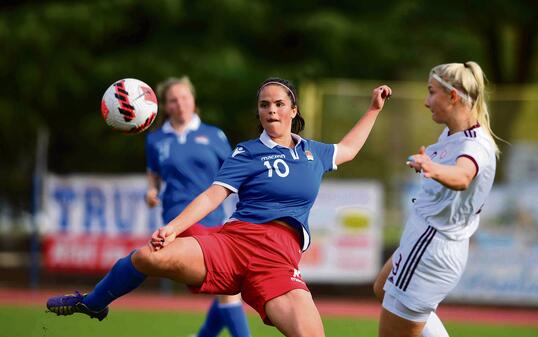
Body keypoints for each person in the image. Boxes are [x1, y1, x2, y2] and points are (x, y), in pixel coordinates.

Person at [47, 77, 392, 337]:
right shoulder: (247, 151)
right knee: (147, 256)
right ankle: (93, 303)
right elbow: (214, 195)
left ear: (293, 109)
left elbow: (348, 148)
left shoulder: (313, 152)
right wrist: (173, 228)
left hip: (277, 260)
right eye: (264, 104)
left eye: (279, 103)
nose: (271, 109)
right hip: (232, 243)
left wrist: (373, 109)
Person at [372, 61, 499, 337]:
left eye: (432, 92)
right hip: (425, 238)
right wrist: (432, 164)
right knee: (382, 287)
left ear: (453, 96)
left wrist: (431, 167)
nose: (426, 102)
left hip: (431, 247)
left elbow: (463, 175)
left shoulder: (474, 145)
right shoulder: (453, 134)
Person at [145, 76, 251, 337]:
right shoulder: (156, 139)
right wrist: (151, 191)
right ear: (166, 106)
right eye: (173, 100)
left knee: (227, 285)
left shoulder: (214, 135)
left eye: (184, 97)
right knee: (230, 288)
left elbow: (232, 175)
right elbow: (153, 175)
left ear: (193, 101)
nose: (180, 104)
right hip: (179, 220)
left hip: (215, 219)